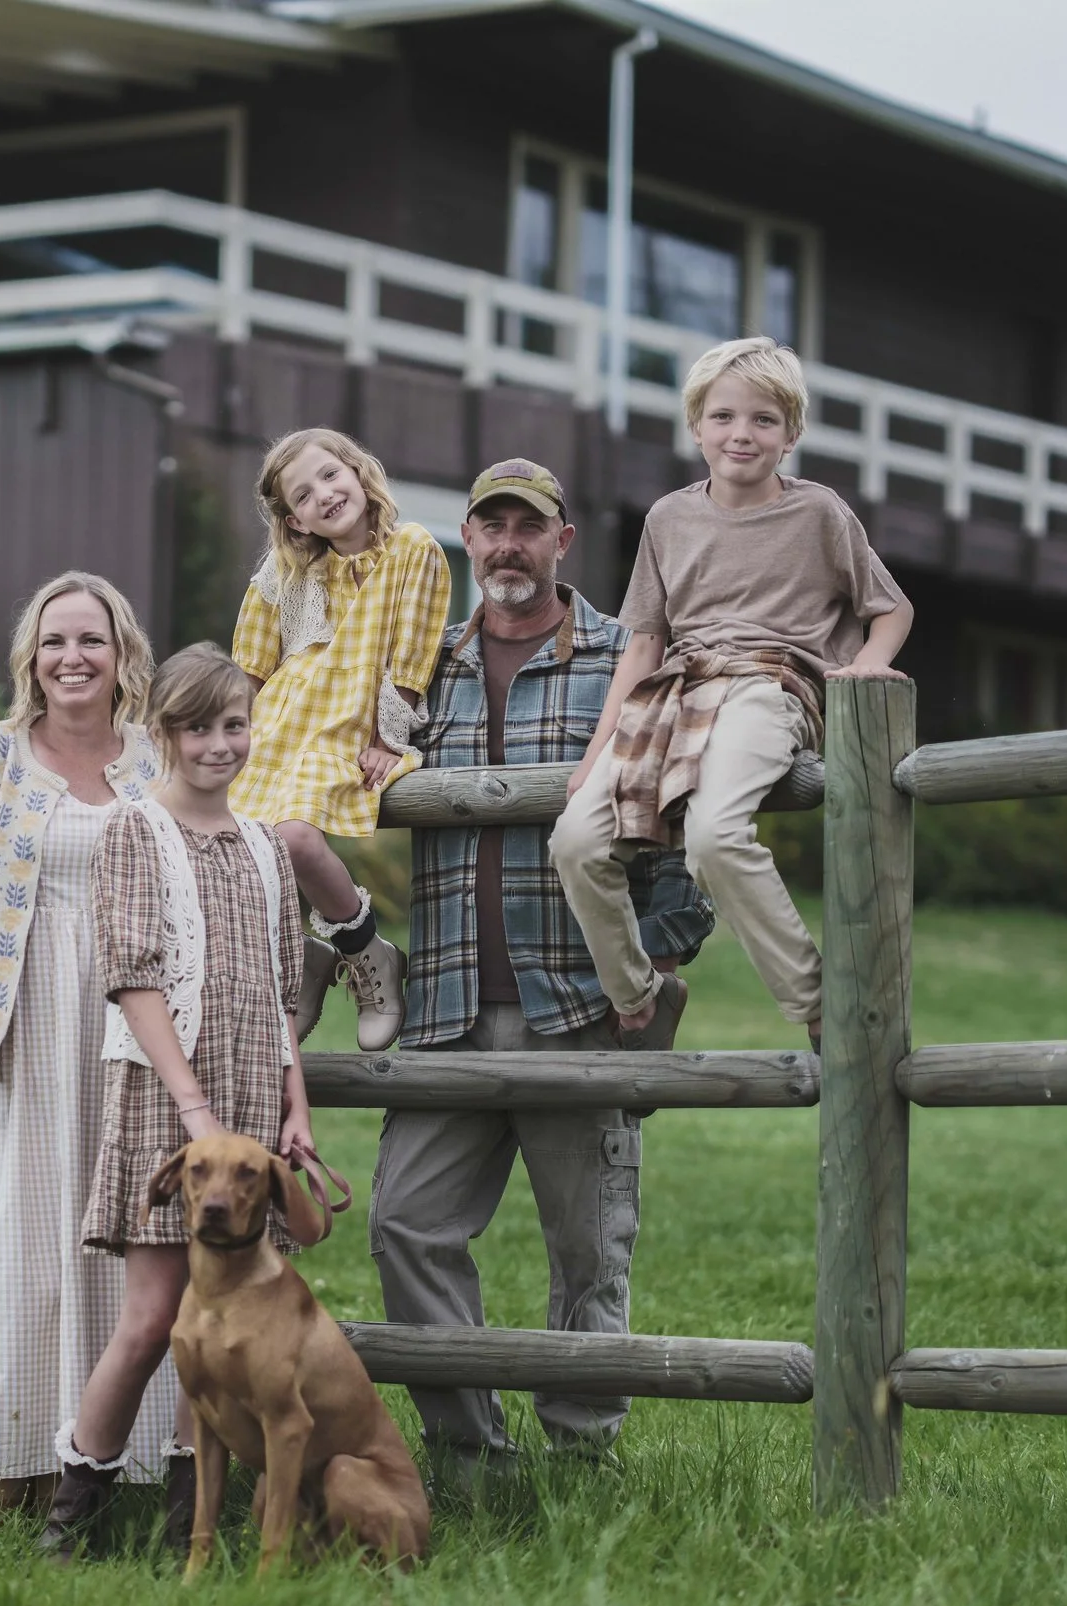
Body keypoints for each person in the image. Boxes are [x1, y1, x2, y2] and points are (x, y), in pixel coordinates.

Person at [368, 460, 717, 1474]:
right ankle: (471, 1458)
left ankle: (578, 1461)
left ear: (563, 542)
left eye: (529, 526)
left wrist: (646, 964)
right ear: (466, 542)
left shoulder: (628, 657)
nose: (508, 544)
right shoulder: (415, 671)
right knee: (406, 1227)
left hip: (578, 1009)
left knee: (586, 1250)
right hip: (443, 1008)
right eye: (491, 526)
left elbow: (690, 820)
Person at [552, 337, 913, 1045]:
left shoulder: (819, 513)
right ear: (696, 427)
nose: (741, 434)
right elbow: (646, 643)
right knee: (575, 840)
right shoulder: (667, 518)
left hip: (768, 684)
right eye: (722, 417)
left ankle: (818, 1006)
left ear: (791, 434)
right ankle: (637, 998)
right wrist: (597, 754)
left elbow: (890, 607)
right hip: (673, 693)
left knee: (716, 837)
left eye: (763, 420)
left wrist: (867, 664)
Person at [0, 572, 181, 1518]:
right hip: (18, 1035)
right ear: (31, 654)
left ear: (122, 657)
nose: (74, 657)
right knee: (16, 1248)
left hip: (132, 1031)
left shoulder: (158, 759)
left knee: (125, 1244)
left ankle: (114, 1466)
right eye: (56, 640)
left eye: (93, 641)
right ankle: (9, 1462)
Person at [38, 644, 315, 1560]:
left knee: (235, 1320)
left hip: (248, 1111)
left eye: (233, 724)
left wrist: (294, 1109)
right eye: (198, 727)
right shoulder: (134, 830)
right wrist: (194, 1108)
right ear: (163, 733)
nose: (218, 744)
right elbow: (133, 974)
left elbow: (282, 996)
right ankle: (77, 1503)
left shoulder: (269, 849)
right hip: (173, 1104)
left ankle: (190, 1521)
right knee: (156, 1316)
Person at [230, 427, 452, 1051]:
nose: (324, 495)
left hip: (348, 724)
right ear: (294, 520)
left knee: (294, 837)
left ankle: (366, 952)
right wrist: (227, 739)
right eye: (303, 495)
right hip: (278, 724)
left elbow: (411, 657)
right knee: (247, 850)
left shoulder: (413, 549)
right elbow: (250, 665)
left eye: (330, 475)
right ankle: (302, 959)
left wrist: (389, 735)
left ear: (357, 471)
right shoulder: (285, 570)